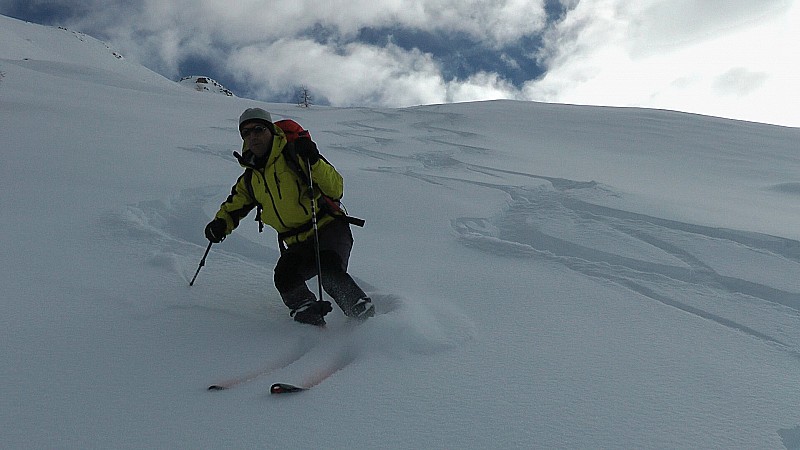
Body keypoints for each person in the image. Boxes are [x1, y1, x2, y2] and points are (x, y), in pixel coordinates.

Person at [204, 107, 375, 326]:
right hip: (297, 242)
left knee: (329, 270)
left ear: (271, 131)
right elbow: (234, 206)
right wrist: (220, 224)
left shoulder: (296, 154)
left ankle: (365, 319)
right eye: (246, 133)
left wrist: (314, 161)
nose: (252, 136)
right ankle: (307, 315)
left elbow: (335, 189)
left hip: (328, 228)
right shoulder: (250, 178)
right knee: (284, 277)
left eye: (258, 129)